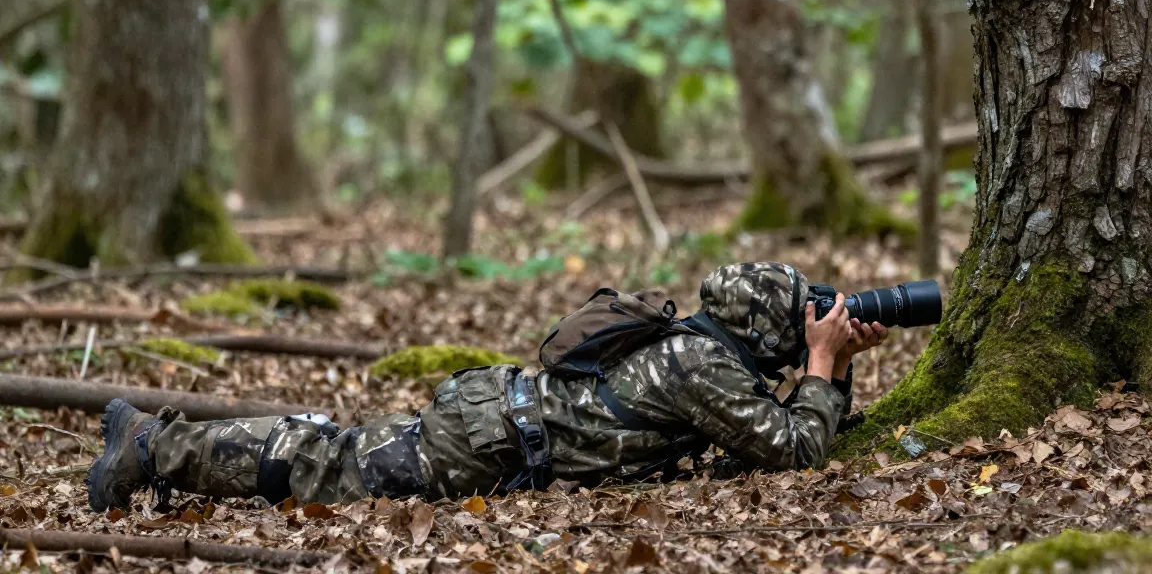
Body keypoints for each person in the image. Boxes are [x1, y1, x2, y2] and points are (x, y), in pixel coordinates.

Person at [86, 262, 888, 512]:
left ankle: (159, 442)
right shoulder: (701, 367)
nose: (810, 325)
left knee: (331, 452)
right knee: (323, 468)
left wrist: (835, 366)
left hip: (494, 420)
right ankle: (156, 447)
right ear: (763, 332)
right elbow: (794, 453)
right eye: (799, 318)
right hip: (487, 442)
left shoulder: (702, 351)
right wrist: (823, 366)